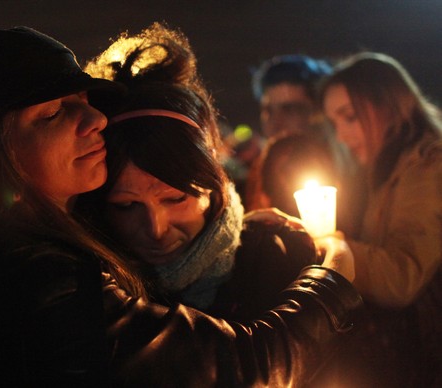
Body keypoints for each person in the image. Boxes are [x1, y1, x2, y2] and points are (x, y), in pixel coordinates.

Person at [0, 26, 361, 386]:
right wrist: (334, 273)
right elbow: (237, 369)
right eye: (55, 113)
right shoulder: (34, 271)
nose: (93, 120)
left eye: (85, 101)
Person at [76, 23, 324, 321]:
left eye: (176, 198)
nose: (156, 229)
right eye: (127, 205)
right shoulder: (88, 289)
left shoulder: (275, 260)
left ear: (213, 183)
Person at [317, 52, 442, 387]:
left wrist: (332, 247)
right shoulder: (384, 169)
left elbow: (403, 277)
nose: (341, 135)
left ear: (389, 104)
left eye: (350, 117)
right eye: (334, 123)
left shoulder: (428, 165)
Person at [245, 55, 362, 236]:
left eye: (290, 109)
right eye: (268, 111)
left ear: (319, 112)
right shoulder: (259, 169)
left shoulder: (354, 172)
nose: (275, 122)